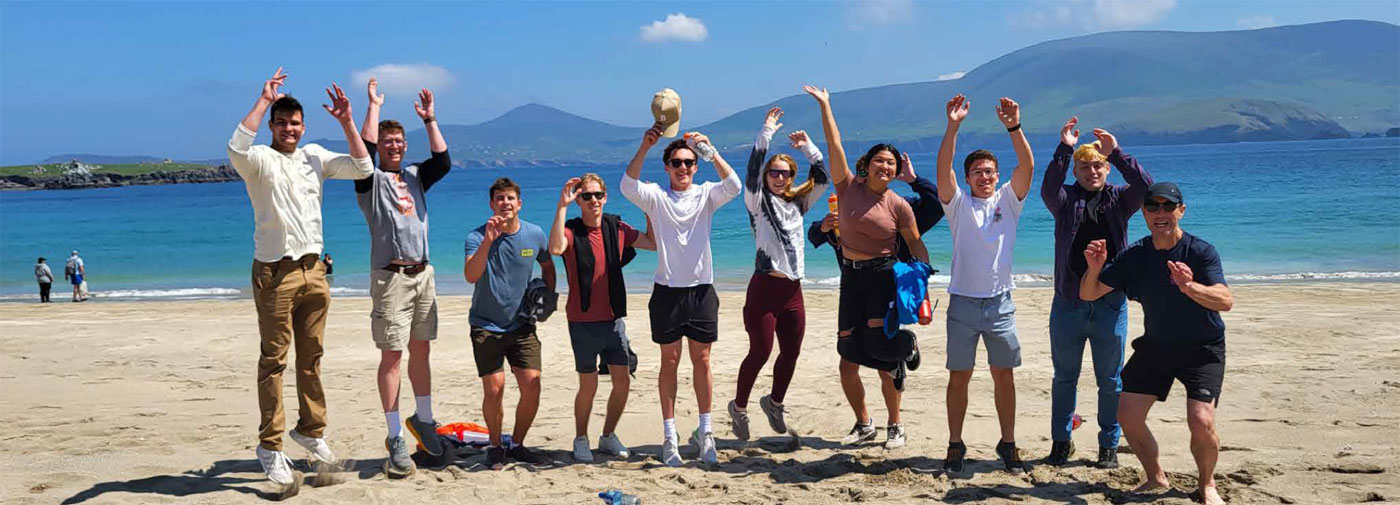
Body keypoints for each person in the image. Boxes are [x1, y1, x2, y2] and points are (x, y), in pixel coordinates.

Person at [227, 68, 374, 487]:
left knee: (312, 358)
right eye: (281, 122)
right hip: (275, 271)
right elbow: (236, 144)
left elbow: (363, 167)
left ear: (303, 126)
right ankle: (270, 446)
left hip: (315, 271)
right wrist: (263, 99)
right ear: (272, 126)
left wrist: (347, 121)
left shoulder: (315, 156)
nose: (288, 129)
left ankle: (310, 431)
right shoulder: (258, 160)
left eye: (294, 123)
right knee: (274, 361)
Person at [1080, 182, 1232, 505]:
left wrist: (1189, 286)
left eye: (1168, 206)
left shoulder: (1200, 252)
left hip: (1201, 349)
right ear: (1145, 214)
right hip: (1157, 346)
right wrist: (1093, 270)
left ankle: (1207, 485)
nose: (1160, 213)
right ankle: (1155, 476)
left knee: (1201, 422)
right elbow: (1088, 293)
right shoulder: (1136, 255)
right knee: (1127, 415)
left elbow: (1225, 300)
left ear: (1181, 211)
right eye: (1153, 207)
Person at [805, 85, 931, 450]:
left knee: (880, 348)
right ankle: (864, 424)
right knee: (848, 354)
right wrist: (826, 106)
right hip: (851, 277)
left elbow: (916, 242)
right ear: (868, 164)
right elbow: (834, 147)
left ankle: (896, 419)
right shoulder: (847, 188)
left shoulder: (899, 205)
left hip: (882, 277)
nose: (885, 166)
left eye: (891, 162)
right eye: (880, 160)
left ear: (895, 170)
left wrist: (922, 281)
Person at [619, 123, 741, 466]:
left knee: (702, 361)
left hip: (701, 290)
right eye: (677, 163)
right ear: (668, 167)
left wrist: (710, 150)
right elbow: (627, 185)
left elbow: (734, 185)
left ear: (695, 166)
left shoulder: (705, 194)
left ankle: (706, 434)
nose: (683, 168)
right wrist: (645, 145)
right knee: (669, 362)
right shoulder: (657, 197)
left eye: (689, 163)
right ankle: (669, 436)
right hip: (667, 292)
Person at [1041, 117, 1155, 468]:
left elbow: (1147, 188)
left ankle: (1109, 445)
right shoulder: (1064, 201)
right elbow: (1048, 187)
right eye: (1084, 166)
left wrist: (1117, 153)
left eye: (1098, 165)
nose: (1092, 171)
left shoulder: (1120, 200)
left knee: (1110, 379)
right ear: (1075, 171)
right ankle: (1062, 442)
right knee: (1064, 377)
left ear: (1106, 170)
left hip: (1110, 304)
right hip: (1069, 303)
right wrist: (1064, 148)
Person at [355, 77, 451, 477]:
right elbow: (362, 151)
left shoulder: (415, 175)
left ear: (405, 146)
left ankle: (424, 419)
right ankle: (395, 435)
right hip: (390, 278)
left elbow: (443, 162)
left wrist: (430, 120)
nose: (393, 146)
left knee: (422, 349)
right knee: (392, 356)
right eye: (387, 142)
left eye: (398, 141)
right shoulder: (370, 181)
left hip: (422, 274)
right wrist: (374, 105)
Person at [935, 94, 1035, 474]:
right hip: (962, 304)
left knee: (1003, 375)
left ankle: (1007, 443)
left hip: (999, 304)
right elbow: (943, 167)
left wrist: (1014, 126)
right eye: (977, 171)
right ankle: (955, 443)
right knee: (959, 376)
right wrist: (953, 126)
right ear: (968, 178)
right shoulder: (958, 205)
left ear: (997, 175)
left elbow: (1027, 165)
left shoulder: (1008, 201)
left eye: (990, 171)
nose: (985, 176)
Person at [727, 107, 829, 442]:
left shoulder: (798, 203)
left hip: (793, 291)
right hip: (764, 291)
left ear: (792, 176)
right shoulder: (757, 201)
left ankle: (774, 403)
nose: (779, 177)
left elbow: (823, 179)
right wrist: (766, 132)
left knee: (792, 351)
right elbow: (753, 169)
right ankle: (739, 408)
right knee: (761, 350)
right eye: (774, 172)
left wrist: (808, 148)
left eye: (785, 173)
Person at [547, 173, 655, 462]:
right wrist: (561, 206)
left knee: (623, 381)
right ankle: (581, 438)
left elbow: (653, 243)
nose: (593, 201)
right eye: (586, 196)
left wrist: (648, 208)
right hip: (582, 321)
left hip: (613, 320)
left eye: (597, 195)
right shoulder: (571, 230)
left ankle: (608, 436)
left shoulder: (617, 227)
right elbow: (556, 248)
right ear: (579, 201)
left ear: (605, 197)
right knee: (589, 385)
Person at [464, 177, 556, 469]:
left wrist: (549, 298)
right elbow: (471, 275)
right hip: (485, 324)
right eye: (500, 198)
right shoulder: (476, 237)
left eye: (510, 198)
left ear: (520, 203)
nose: (505, 203)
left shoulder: (534, 234)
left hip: (522, 325)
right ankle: (494, 445)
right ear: (492, 204)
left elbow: (547, 264)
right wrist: (490, 240)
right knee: (495, 388)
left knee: (532, 384)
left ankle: (516, 444)